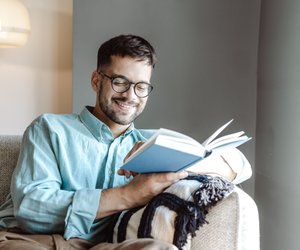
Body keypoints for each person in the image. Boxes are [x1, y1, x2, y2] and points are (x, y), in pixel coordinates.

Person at [0, 34, 251, 250]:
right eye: (120, 82)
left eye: (141, 86)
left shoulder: (153, 144)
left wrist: (180, 166)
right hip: (29, 241)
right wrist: (128, 195)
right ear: (96, 81)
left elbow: (239, 165)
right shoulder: (50, 128)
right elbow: (32, 210)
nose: (130, 95)